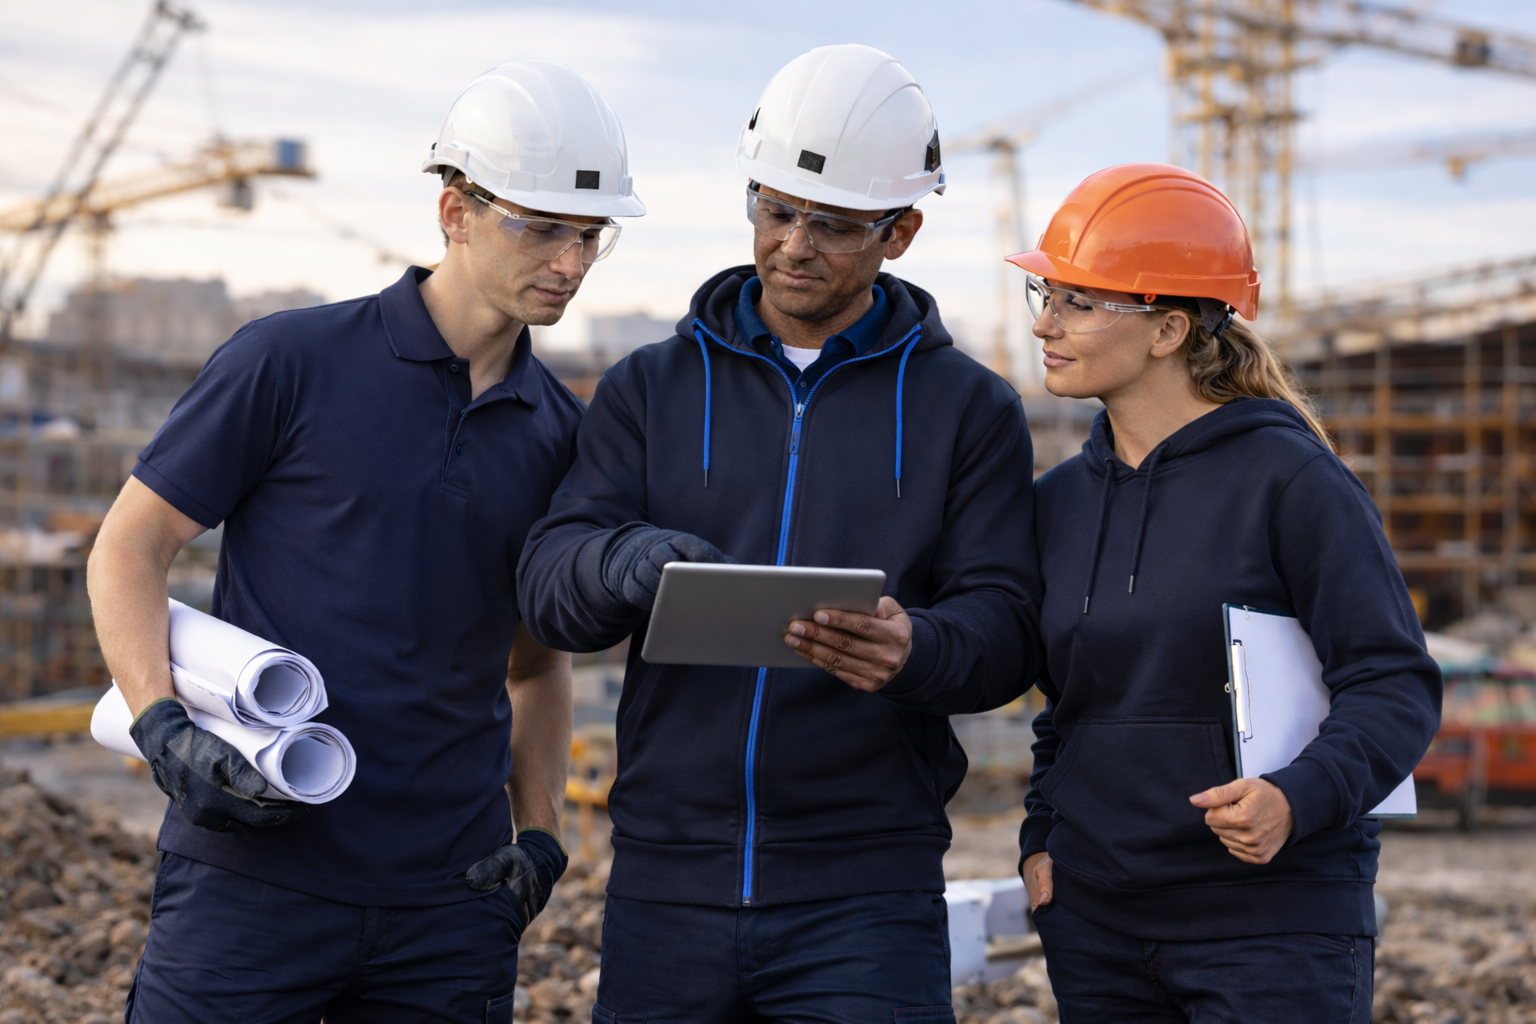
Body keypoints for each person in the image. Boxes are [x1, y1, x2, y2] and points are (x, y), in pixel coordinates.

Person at [85, 60, 644, 1022]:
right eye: (542, 227)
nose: (571, 262)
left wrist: (541, 835)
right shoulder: (289, 362)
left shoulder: (561, 433)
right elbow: (128, 548)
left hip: (452, 903)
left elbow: (534, 669)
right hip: (252, 875)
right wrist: (161, 726)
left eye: (590, 234)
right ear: (455, 209)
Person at [517, 44, 1042, 1021]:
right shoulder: (650, 388)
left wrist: (915, 648)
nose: (794, 244)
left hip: (867, 899)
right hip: (668, 885)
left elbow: (1006, 625)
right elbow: (548, 584)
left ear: (903, 230)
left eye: (834, 225)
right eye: (775, 209)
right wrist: (621, 562)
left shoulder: (969, 411)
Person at [1007, 163, 1442, 1023]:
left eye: (1078, 303)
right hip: (1097, 927)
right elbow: (1074, 704)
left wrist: (1298, 796)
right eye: (1045, 296)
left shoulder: (1293, 483)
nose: (1045, 325)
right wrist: (1039, 840)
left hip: (1270, 927)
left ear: (1168, 328)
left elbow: (1393, 683)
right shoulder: (1057, 502)